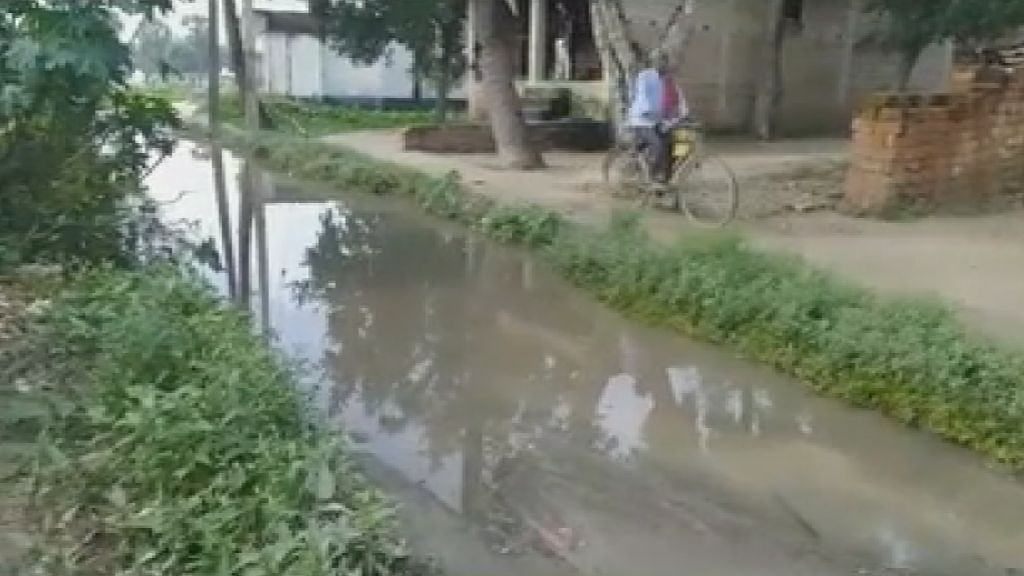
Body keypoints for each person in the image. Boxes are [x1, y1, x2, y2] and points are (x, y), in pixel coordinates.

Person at [627, 49, 689, 185]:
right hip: (642, 120)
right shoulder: (645, 76)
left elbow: (678, 98)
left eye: (664, 60)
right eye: (659, 60)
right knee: (659, 146)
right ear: (653, 62)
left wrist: (684, 114)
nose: (662, 63)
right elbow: (643, 95)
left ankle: (665, 180)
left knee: (674, 147)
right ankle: (654, 178)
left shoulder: (669, 79)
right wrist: (648, 110)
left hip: (660, 121)